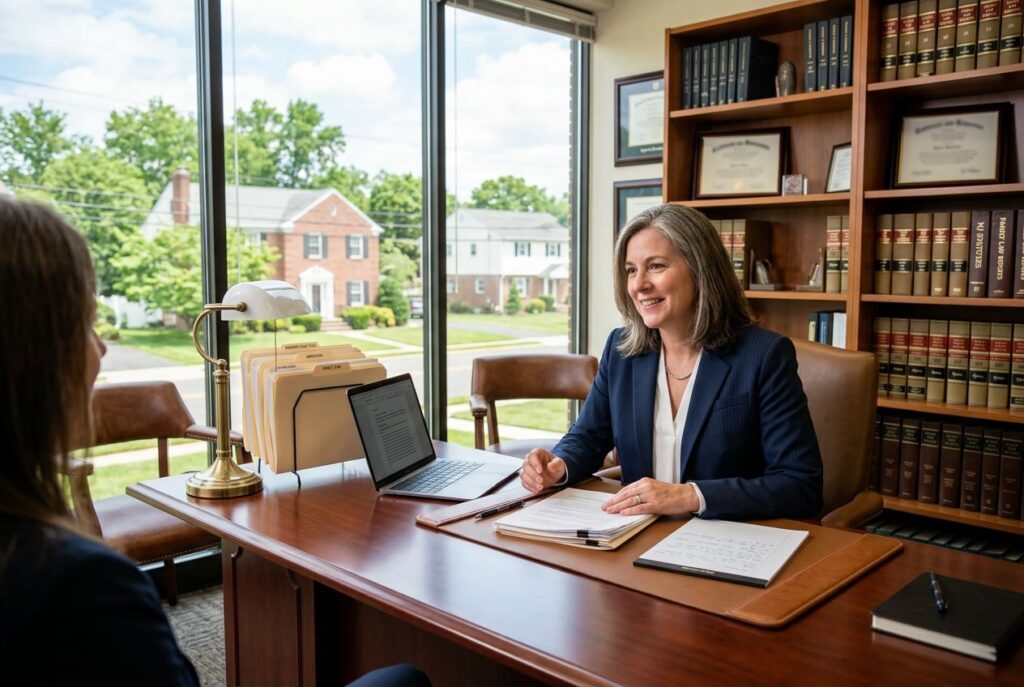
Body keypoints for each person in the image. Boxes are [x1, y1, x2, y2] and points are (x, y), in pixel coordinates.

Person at [0, 199, 431, 687]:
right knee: (405, 679)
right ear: (31, 357)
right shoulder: (81, 588)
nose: (100, 348)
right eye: (86, 323)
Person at [520, 204, 823, 521]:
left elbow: (800, 485)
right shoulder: (622, 351)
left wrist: (689, 496)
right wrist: (559, 465)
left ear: (701, 269)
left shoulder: (765, 355)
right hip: (636, 533)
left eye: (656, 266)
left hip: (726, 534)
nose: (638, 285)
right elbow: (588, 437)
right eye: (631, 270)